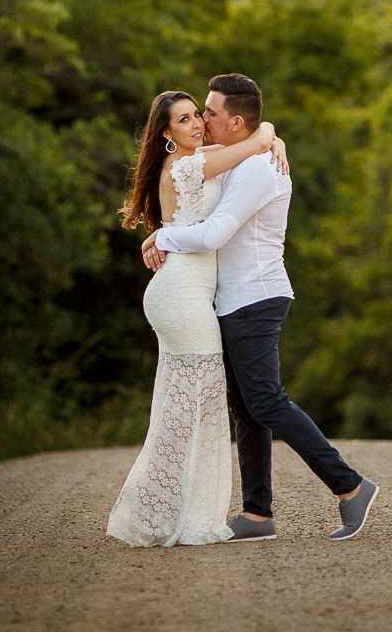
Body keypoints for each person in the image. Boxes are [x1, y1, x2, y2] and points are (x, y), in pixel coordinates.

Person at [142, 73, 379, 543]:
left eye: (209, 113)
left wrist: (160, 235)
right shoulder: (244, 155)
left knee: (266, 400)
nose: (204, 121)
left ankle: (350, 487)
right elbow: (237, 149)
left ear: (233, 121)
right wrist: (270, 134)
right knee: (247, 409)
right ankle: (256, 515)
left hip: (255, 295)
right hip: (230, 298)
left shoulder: (255, 168)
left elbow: (213, 234)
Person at [107, 90, 288, 548]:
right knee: (194, 409)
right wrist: (267, 135)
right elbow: (250, 143)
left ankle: (173, 512)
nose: (196, 124)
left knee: (192, 406)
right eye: (183, 120)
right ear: (166, 133)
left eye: (197, 116)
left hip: (185, 294)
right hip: (183, 296)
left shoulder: (199, 158)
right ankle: (160, 514)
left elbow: (247, 146)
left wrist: (273, 139)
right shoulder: (187, 165)